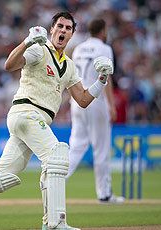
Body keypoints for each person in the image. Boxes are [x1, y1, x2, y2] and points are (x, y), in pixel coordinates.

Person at [0, 12, 113, 230]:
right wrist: (26, 41)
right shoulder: (38, 48)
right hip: (26, 112)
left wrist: (101, 80)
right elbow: (9, 65)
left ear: (72, 34)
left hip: (34, 120)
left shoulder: (69, 66)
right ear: (52, 29)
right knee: (56, 156)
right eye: (59, 26)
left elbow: (82, 99)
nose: (63, 31)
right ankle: (55, 223)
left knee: (2, 177)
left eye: (68, 28)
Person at [66, 19, 124, 204]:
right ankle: (104, 194)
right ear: (103, 30)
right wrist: (112, 105)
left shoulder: (78, 48)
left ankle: (55, 182)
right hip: (96, 101)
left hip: (77, 101)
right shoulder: (104, 49)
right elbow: (106, 77)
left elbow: (71, 77)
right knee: (101, 149)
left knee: (75, 146)